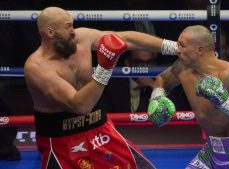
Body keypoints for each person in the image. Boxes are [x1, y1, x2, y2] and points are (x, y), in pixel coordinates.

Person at [24, 6, 177, 169]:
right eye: (68, 26)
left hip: (101, 131)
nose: (73, 31)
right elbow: (79, 105)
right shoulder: (37, 67)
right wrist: (105, 68)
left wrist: (174, 48)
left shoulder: (81, 38)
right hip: (61, 143)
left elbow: (126, 39)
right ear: (50, 33)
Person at [147, 25, 229, 168]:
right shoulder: (181, 67)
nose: (177, 49)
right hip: (213, 151)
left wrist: (224, 101)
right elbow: (162, 79)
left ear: (199, 50)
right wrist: (157, 97)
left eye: (182, 45)